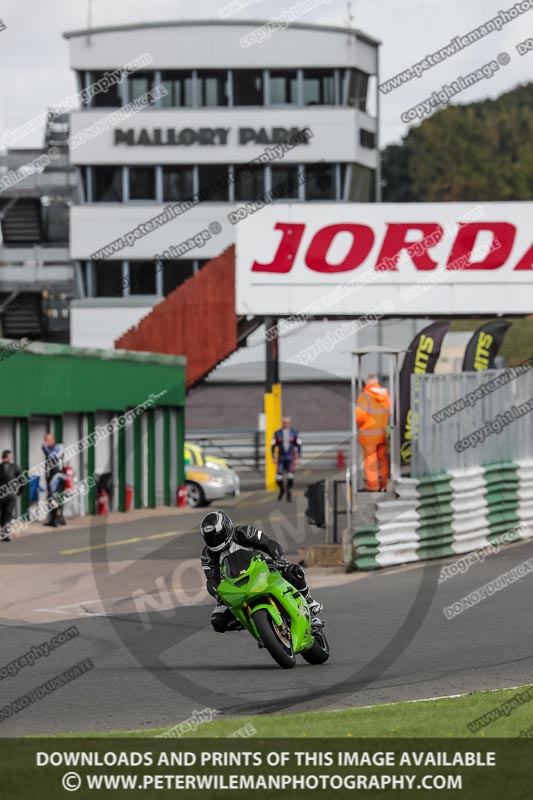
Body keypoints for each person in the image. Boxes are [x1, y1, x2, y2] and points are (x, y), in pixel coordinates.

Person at [200, 511, 322, 633]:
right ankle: (254, 624)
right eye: (211, 539)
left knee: (293, 571)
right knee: (217, 621)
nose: (215, 541)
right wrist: (218, 595)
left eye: (217, 536)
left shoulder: (244, 532)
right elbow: (212, 580)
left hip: (261, 569)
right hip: (235, 585)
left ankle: (309, 601)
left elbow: (268, 543)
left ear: (227, 528)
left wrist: (279, 559)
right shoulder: (207, 555)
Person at [356, 374, 391, 492]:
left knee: (371, 460)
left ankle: (373, 486)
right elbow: (389, 412)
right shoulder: (385, 395)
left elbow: (360, 417)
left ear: (365, 383)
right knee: (383, 460)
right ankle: (385, 484)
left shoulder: (364, 396)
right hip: (382, 433)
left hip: (368, 435)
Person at [271, 416, 302, 502]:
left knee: (290, 476)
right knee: (278, 478)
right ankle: (282, 489)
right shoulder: (277, 433)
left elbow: (299, 445)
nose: (286, 424)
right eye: (284, 422)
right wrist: (273, 457)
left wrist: (299, 456)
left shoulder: (294, 433)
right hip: (281, 458)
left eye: (287, 422)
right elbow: (272, 446)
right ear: (282, 423)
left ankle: (288, 491)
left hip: (290, 458)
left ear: (289, 423)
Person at [0, 450, 21, 542]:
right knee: (7, 514)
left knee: (4, 514)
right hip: (11, 495)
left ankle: (4, 532)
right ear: (9, 457)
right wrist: (19, 492)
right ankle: (5, 534)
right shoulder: (15, 467)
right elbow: (21, 480)